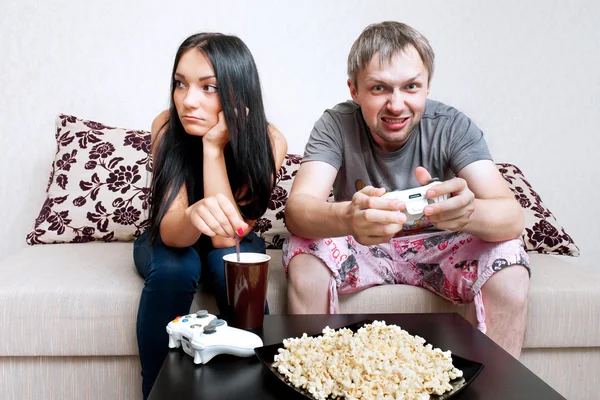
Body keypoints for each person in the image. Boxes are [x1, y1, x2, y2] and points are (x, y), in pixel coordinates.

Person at [283, 21, 530, 359]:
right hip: (361, 245)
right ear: (354, 90)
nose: (396, 105)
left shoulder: (452, 125)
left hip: (437, 247)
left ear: (427, 86)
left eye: (411, 87)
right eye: (379, 89)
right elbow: (298, 211)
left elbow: (511, 217)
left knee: (510, 260)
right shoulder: (336, 124)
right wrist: (348, 216)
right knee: (303, 250)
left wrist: (466, 212)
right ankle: (315, 380)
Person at [133, 32, 287, 398]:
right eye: (180, 84)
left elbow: (226, 236)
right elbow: (172, 234)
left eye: (208, 87)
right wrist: (193, 214)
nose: (188, 101)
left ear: (238, 91)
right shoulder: (166, 126)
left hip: (229, 237)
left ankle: (254, 391)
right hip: (172, 235)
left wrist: (213, 148)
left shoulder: (269, 139)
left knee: (232, 266)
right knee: (177, 267)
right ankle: (157, 392)